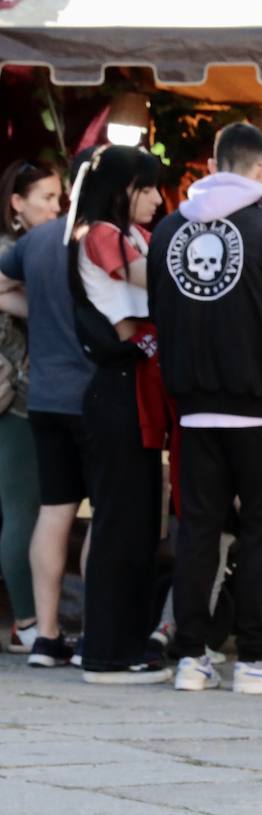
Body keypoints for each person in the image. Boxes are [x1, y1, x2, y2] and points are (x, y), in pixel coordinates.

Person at [149, 122, 262, 694]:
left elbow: (161, 318)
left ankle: (191, 659)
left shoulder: (166, 234)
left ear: (211, 164)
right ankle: (253, 658)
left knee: (196, 532)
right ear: (259, 171)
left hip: (194, 413)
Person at [64, 144, 172, 684]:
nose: (157, 199)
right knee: (117, 526)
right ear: (124, 187)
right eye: (148, 187)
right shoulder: (101, 233)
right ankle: (105, 651)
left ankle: (121, 644)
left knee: (135, 527)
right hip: (117, 391)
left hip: (136, 390)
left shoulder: (134, 235)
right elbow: (160, 281)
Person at [0, 160, 62, 662]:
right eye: (46, 198)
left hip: (25, 399)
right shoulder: (10, 254)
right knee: (23, 510)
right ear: (17, 203)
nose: (56, 208)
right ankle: (25, 618)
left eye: (60, 198)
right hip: (16, 400)